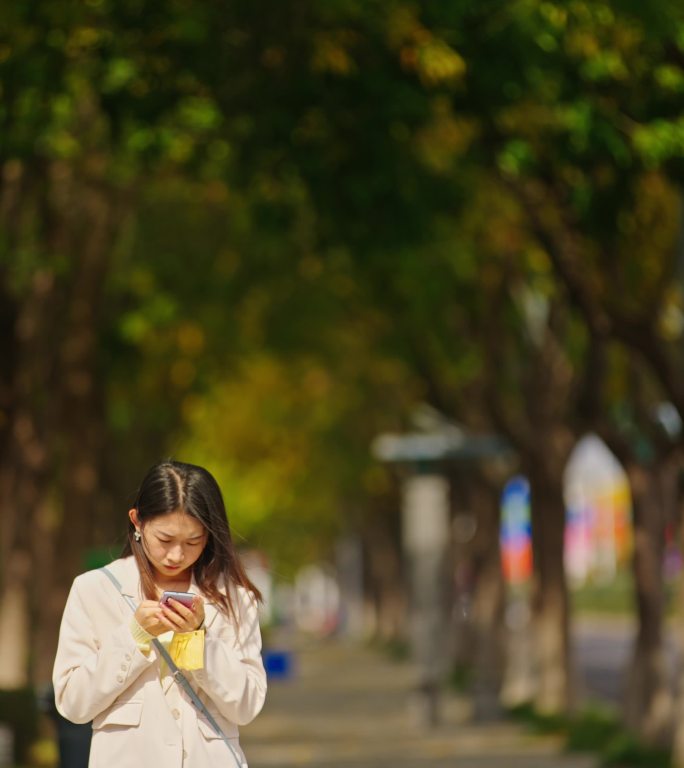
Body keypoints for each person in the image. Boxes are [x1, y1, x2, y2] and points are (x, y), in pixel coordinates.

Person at [52, 460, 267, 768]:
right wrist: (133, 637)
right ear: (137, 522)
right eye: (165, 540)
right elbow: (73, 703)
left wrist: (197, 641)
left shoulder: (234, 599)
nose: (177, 555)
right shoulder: (94, 591)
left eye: (194, 541)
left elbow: (246, 707)